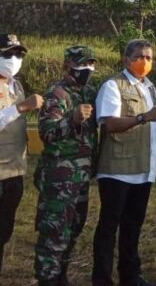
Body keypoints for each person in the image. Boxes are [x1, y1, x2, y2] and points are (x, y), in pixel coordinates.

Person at [92, 39, 156, 286]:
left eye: (149, 58)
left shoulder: (150, 87)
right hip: (117, 170)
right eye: (140, 57)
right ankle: (102, 278)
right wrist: (144, 117)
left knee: (133, 226)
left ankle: (130, 276)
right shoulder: (113, 86)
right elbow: (110, 123)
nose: (145, 62)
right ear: (126, 60)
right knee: (109, 226)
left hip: (143, 169)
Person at [34, 46, 97, 286]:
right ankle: (47, 279)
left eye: (90, 64)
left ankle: (61, 275)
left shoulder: (89, 92)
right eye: (81, 64)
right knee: (54, 231)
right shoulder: (56, 94)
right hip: (59, 178)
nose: (86, 69)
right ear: (67, 66)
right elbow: (47, 133)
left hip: (81, 176)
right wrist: (71, 119)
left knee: (74, 228)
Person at [0, 33, 43, 274]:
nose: (14, 59)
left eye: (18, 54)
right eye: (8, 54)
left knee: (4, 229)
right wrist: (21, 107)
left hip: (14, 169)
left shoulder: (16, 84)